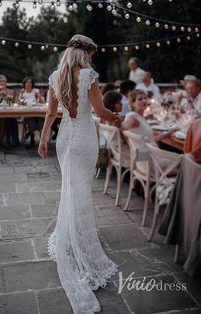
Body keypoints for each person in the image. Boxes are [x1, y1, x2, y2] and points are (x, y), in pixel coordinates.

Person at [38, 34, 120, 314]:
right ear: (84, 53)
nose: (92, 59)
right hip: (84, 138)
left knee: (69, 190)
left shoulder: (54, 76)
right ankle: (78, 242)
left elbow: (51, 113)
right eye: (91, 54)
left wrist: (43, 139)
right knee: (81, 191)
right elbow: (99, 111)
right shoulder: (88, 75)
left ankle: (70, 237)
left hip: (65, 139)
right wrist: (116, 117)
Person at [121, 89, 179, 174]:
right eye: (140, 99)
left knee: (182, 159)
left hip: (144, 160)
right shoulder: (132, 117)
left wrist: (169, 132)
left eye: (145, 98)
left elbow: (151, 139)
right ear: (132, 103)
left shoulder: (139, 117)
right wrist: (115, 119)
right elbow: (123, 127)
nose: (144, 101)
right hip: (150, 162)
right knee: (184, 161)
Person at [0, 75, 19, 147]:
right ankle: (8, 140)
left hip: (9, 113)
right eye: (0, 82)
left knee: (6, 118)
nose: (2, 83)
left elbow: (13, 101)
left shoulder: (10, 91)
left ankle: (1, 138)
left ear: (6, 82)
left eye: (3, 81)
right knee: (2, 119)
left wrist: (7, 96)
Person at [19, 76, 44, 145]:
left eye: (30, 82)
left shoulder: (35, 91)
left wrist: (39, 96)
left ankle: (31, 134)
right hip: (27, 113)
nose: (28, 84)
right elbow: (20, 103)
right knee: (31, 121)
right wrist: (21, 97)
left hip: (37, 112)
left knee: (40, 122)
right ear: (24, 84)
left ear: (32, 84)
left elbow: (42, 102)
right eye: (27, 82)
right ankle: (31, 134)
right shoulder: (22, 92)